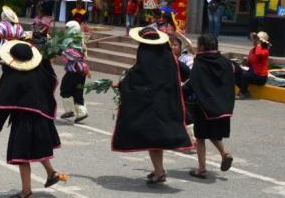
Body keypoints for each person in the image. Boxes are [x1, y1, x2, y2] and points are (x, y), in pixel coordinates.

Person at [112, 26, 193, 185]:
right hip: (168, 103)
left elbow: (135, 79)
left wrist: (121, 85)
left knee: (152, 139)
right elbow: (186, 73)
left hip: (149, 104)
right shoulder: (170, 57)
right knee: (156, 140)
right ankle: (158, 170)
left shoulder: (145, 56)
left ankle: (159, 171)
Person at [0, 40, 67, 198]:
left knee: (22, 154)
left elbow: (5, 100)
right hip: (41, 117)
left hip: (24, 120)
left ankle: (26, 192)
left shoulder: (14, 77)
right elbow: (52, 79)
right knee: (37, 146)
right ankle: (51, 173)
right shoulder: (40, 71)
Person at [187, 34, 236, 179]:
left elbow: (193, 83)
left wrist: (179, 94)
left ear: (202, 47)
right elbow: (237, 76)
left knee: (200, 137)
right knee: (213, 133)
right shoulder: (226, 62)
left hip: (203, 105)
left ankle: (201, 169)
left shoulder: (200, 62)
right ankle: (224, 153)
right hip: (221, 107)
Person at [59, 21, 90, 123]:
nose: (66, 30)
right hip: (82, 71)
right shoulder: (81, 39)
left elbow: (67, 53)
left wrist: (60, 50)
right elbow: (84, 53)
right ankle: (82, 112)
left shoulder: (70, 40)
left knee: (65, 88)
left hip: (74, 70)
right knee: (78, 91)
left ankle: (70, 110)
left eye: (67, 28)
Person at [238, 31, 270, 98]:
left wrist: (259, 44)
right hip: (253, 72)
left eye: (256, 39)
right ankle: (245, 91)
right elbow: (249, 63)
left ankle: (243, 93)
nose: (254, 41)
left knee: (245, 75)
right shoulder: (253, 49)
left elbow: (258, 54)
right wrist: (244, 63)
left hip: (260, 77)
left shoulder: (265, 51)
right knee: (237, 71)